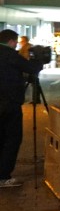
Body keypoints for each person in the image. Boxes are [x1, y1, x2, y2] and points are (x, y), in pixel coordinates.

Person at [0, 29, 40, 187]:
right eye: (15, 42)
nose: (16, 44)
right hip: (9, 105)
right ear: (11, 41)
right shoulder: (10, 54)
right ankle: (3, 176)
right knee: (12, 139)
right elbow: (32, 69)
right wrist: (37, 59)